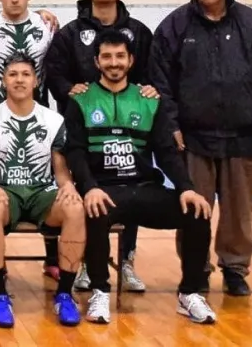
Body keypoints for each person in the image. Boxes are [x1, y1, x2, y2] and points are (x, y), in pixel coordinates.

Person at [151, 0, 252, 296]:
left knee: (239, 214)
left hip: (245, 137)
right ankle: (195, 270)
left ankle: (235, 269)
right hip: (193, 139)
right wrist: (170, 124)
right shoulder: (175, 26)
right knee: (193, 210)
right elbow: (160, 81)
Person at [66, 30, 216, 324]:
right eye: (107, 56)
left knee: (197, 212)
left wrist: (186, 187)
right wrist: (90, 187)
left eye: (120, 56)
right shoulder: (81, 100)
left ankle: (189, 293)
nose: (114, 62)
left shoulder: (149, 100)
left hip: (144, 187)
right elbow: (76, 152)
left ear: (131, 60)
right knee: (94, 211)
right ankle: (99, 291)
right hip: (104, 190)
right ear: (96, 61)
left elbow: (166, 151)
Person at [44, 0, 154, 292]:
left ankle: (127, 262)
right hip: (87, 130)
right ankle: (85, 264)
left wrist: (149, 92)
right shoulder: (71, 33)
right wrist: (68, 90)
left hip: (131, 129)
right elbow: (55, 71)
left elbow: (152, 71)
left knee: (131, 188)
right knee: (86, 191)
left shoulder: (139, 32)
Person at [0, 54, 86, 328]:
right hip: (6, 192)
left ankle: (64, 294)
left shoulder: (53, 119)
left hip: (41, 193)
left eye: (25, 74)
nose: (19, 80)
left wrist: (68, 187)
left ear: (36, 81)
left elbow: (60, 171)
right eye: (12, 74)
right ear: (3, 81)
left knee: (75, 208)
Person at [0, 0, 61, 280]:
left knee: (44, 180)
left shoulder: (46, 25)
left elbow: (58, 64)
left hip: (38, 114)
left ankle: (52, 256)